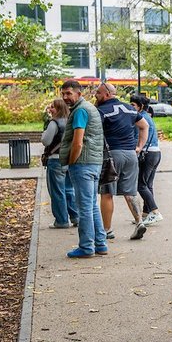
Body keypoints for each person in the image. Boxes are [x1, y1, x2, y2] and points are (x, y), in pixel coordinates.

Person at [58, 80, 108, 259]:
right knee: (92, 205)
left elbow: (78, 142)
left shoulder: (80, 111)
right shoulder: (89, 108)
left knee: (84, 208)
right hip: (94, 163)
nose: (65, 97)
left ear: (79, 93)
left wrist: (71, 162)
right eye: (63, 94)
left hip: (83, 164)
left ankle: (86, 247)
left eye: (69, 93)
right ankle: (100, 244)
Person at [95, 82, 148, 242]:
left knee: (107, 193)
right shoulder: (130, 109)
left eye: (98, 93)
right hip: (131, 155)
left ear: (107, 94)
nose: (95, 95)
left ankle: (107, 230)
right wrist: (139, 146)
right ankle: (139, 222)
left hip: (112, 155)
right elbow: (144, 126)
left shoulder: (101, 111)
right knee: (130, 191)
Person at [41, 99, 77, 229]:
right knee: (69, 190)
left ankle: (61, 220)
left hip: (56, 160)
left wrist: (43, 133)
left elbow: (46, 141)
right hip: (69, 159)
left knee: (57, 191)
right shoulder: (70, 121)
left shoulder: (54, 123)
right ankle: (75, 216)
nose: (50, 109)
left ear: (59, 108)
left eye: (53, 107)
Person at [129, 94, 163, 226]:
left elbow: (139, 138)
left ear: (140, 106)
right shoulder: (147, 116)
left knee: (141, 185)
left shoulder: (141, 118)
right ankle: (145, 214)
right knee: (147, 185)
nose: (131, 107)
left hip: (147, 154)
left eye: (133, 105)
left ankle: (155, 212)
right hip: (155, 153)